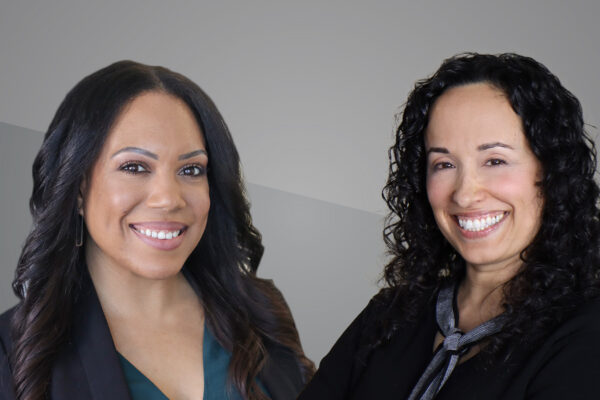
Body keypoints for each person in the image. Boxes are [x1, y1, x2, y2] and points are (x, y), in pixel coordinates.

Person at [0, 61, 314, 400]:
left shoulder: (262, 312)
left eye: (191, 169)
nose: (168, 199)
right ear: (78, 188)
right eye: (134, 167)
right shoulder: (13, 352)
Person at [298, 53, 600, 399]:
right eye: (443, 164)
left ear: (551, 171)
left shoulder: (586, 334)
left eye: (495, 160)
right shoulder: (389, 314)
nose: (465, 193)